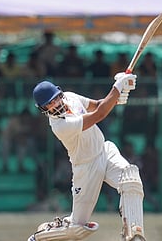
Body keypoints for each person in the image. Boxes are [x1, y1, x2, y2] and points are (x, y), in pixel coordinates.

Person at [28, 71, 146, 241]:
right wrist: (117, 87)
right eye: (49, 104)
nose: (54, 104)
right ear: (43, 109)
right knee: (78, 228)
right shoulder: (60, 125)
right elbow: (99, 115)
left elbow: (98, 105)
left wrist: (117, 97)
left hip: (105, 151)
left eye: (55, 99)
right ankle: (40, 237)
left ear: (60, 93)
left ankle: (133, 233)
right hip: (86, 167)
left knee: (131, 180)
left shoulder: (70, 97)